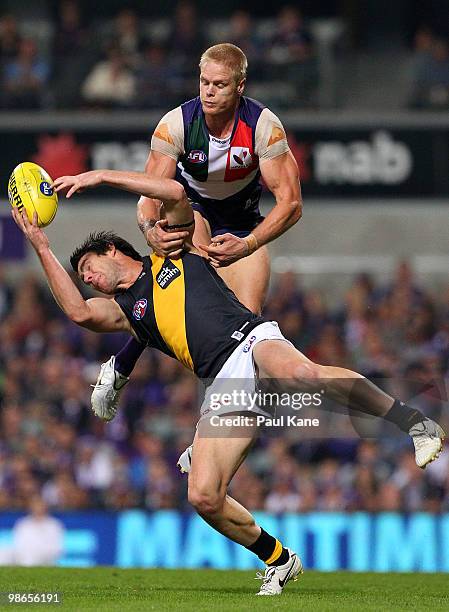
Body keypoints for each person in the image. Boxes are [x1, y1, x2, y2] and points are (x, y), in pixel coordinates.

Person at [13, 169, 444, 595]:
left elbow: (174, 192)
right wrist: (41, 245)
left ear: (111, 249)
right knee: (203, 497)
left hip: (250, 339)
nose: (86, 279)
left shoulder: (171, 251)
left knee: (304, 376)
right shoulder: (128, 312)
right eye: (83, 277)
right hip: (222, 384)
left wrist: (101, 178)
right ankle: (279, 559)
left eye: (88, 267)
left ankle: (415, 423)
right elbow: (79, 313)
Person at [90, 42, 302, 422]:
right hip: (194, 211)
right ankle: (121, 366)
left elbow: (291, 204)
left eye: (219, 84)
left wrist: (250, 243)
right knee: (184, 289)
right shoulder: (177, 125)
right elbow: (150, 191)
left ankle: (205, 420)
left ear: (240, 86)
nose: (208, 91)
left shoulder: (263, 127)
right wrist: (149, 227)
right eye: (204, 81)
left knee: (241, 328)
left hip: (243, 222)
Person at [0, 496, 64, 566]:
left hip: (45, 558)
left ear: (45, 506)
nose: (38, 508)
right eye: (35, 505)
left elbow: (57, 549)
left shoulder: (54, 525)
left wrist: (39, 554)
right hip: (23, 557)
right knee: (3, 552)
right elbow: (17, 544)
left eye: (40, 505)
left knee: (31, 558)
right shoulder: (23, 523)